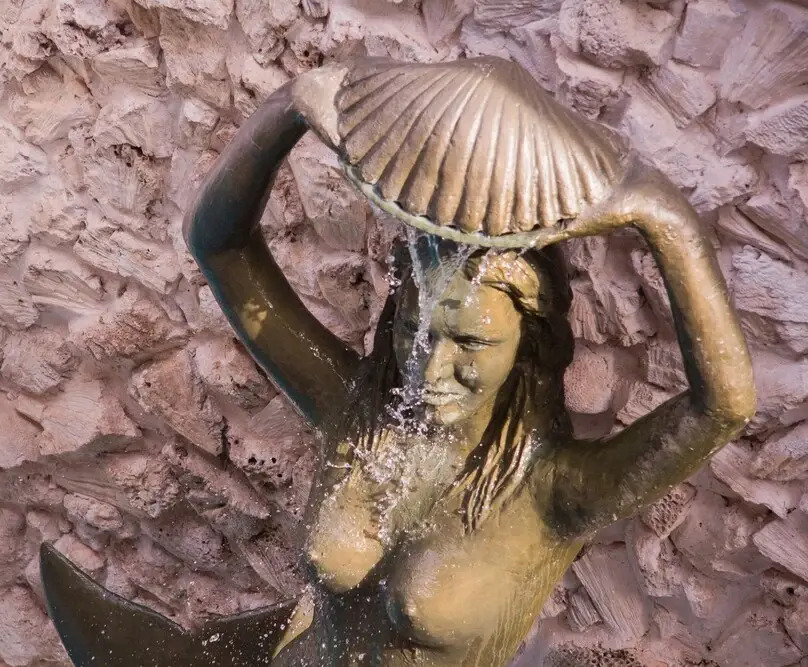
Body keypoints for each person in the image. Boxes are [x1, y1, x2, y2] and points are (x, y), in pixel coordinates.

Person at [182, 59, 756, 666]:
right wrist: (291, 105)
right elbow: (220, 249)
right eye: (415, 330)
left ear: (528, 349)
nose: (428, 372)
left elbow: (723, 407)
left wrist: (663, 218)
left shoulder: (555, 492)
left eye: (471, 344)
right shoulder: (354, 410)